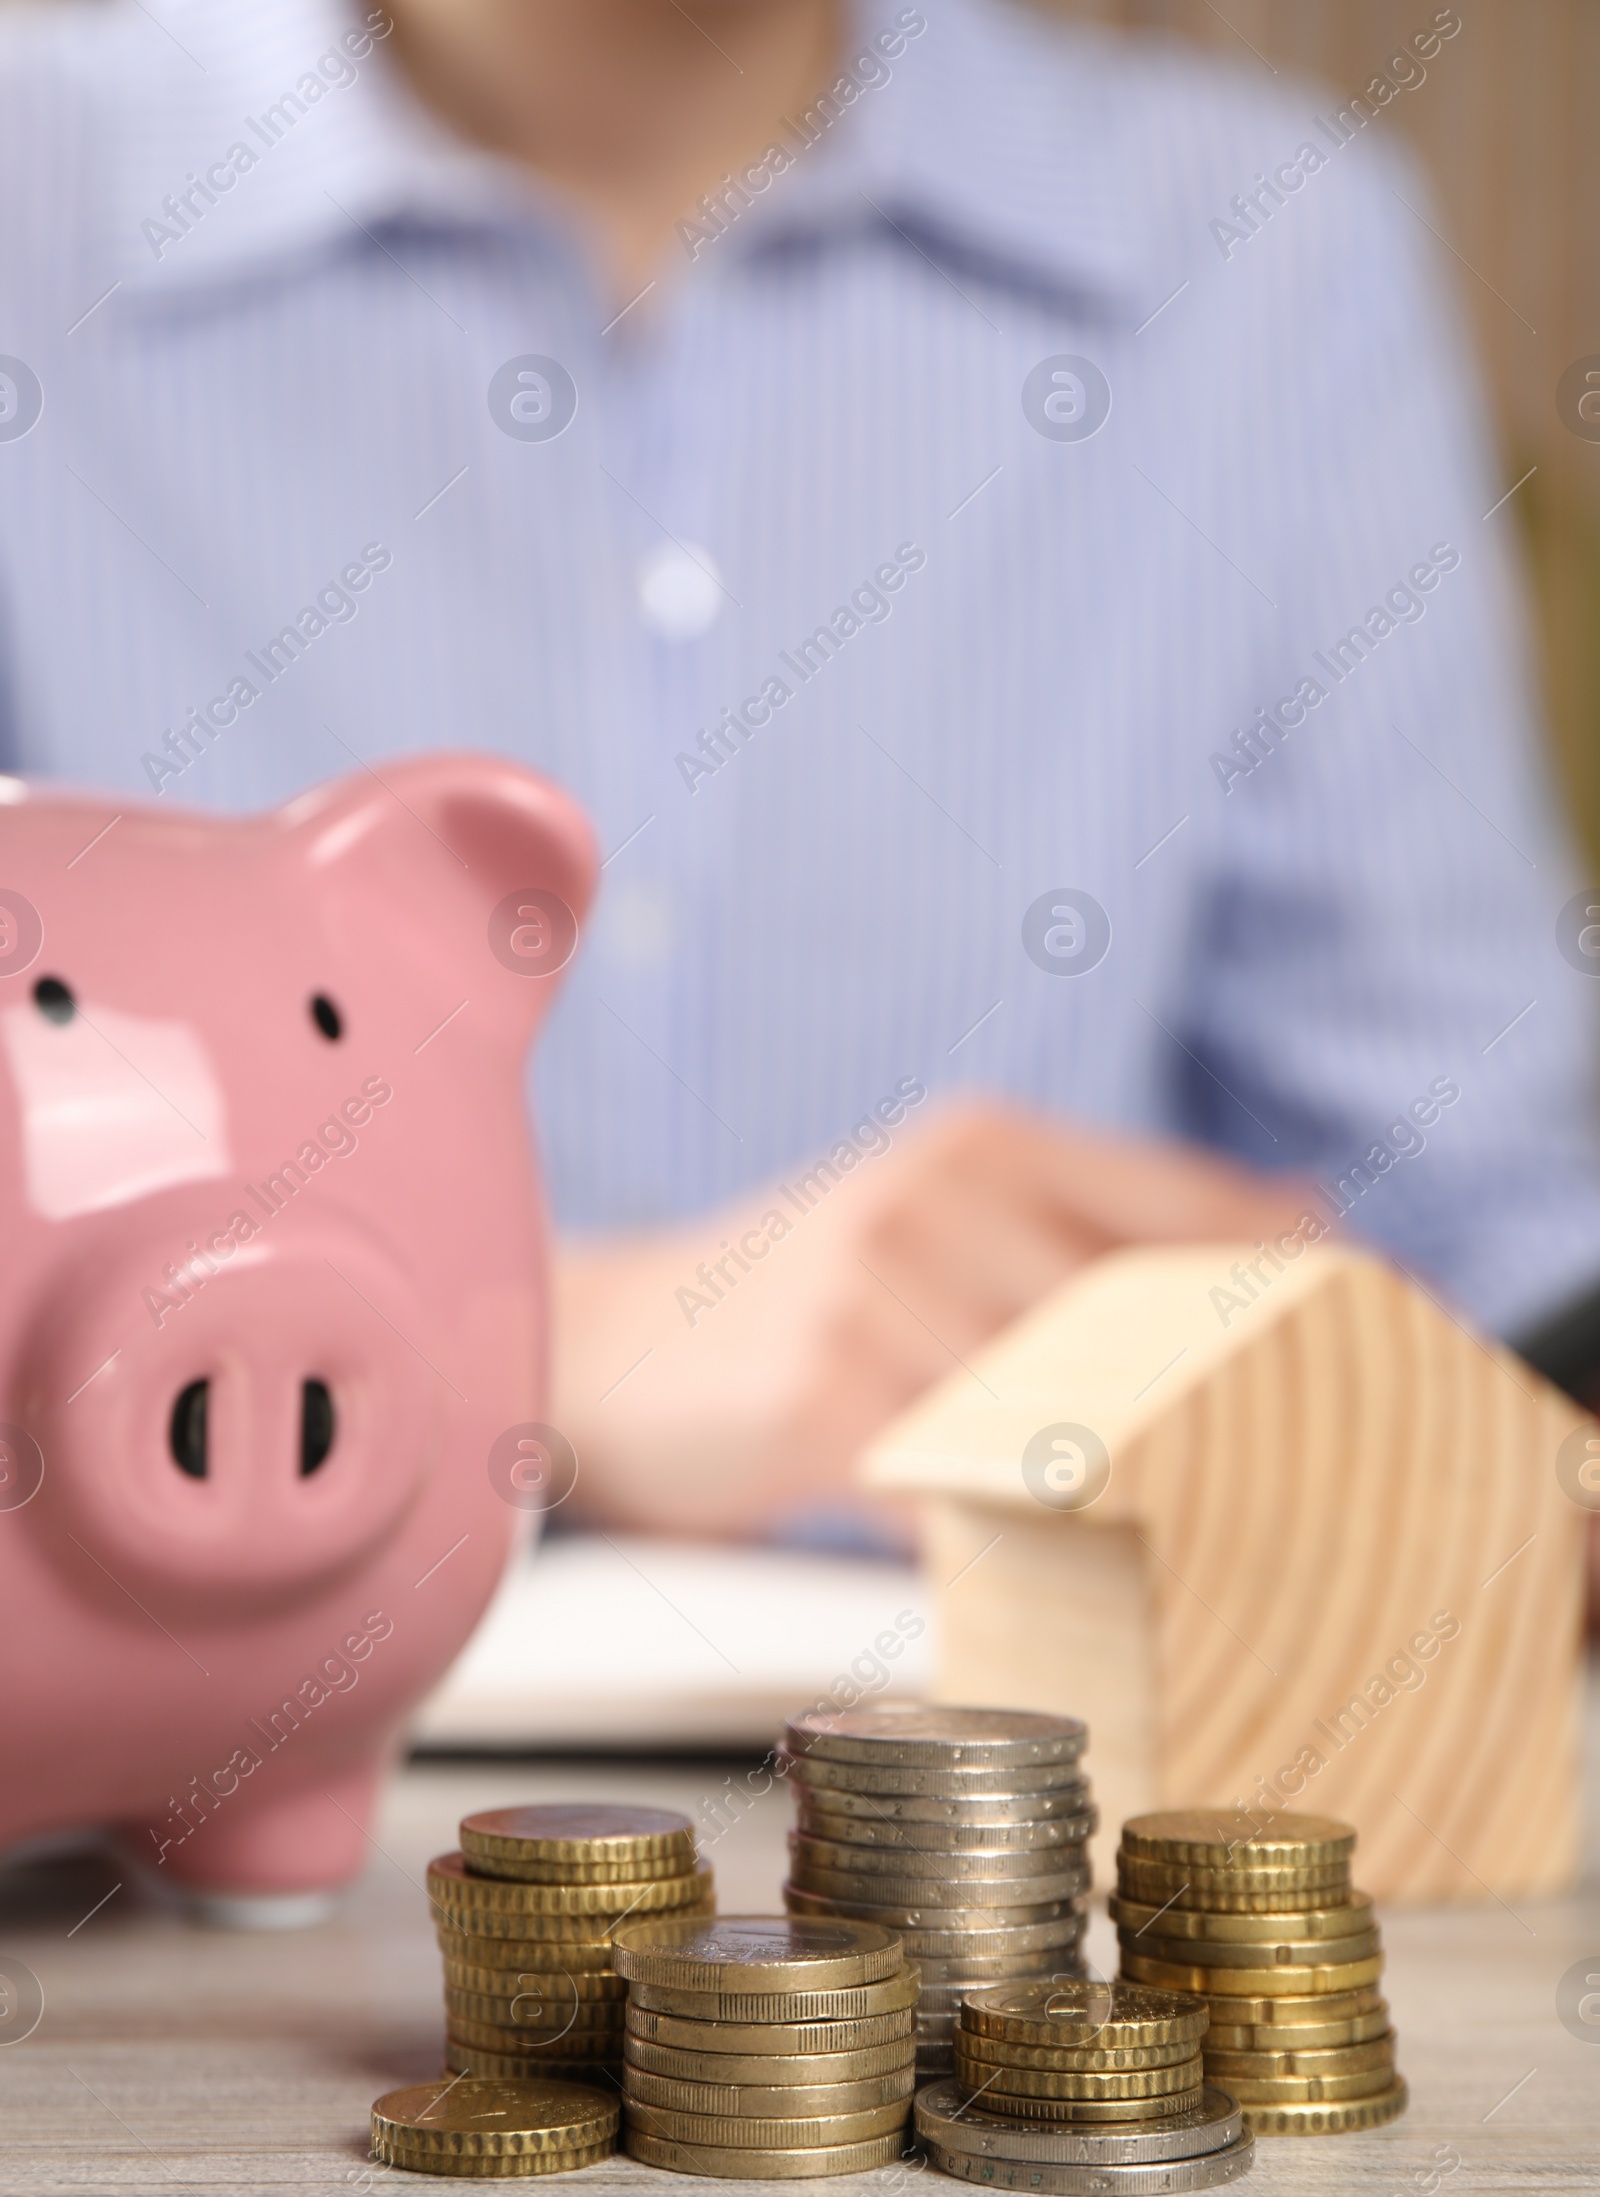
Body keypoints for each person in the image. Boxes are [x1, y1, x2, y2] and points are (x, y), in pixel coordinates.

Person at [2, 0, 1597, 1543]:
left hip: (1053, 1761)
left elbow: (1490, 1235)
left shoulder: (1269, 256)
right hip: (164, 1785)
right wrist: (531, 1351)